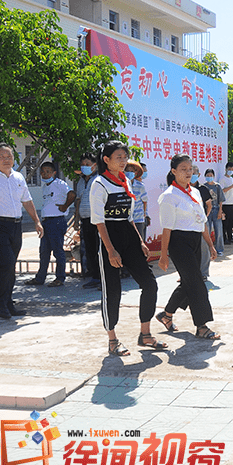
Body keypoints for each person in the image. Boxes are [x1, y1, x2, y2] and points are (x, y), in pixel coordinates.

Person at [90, 140, 164, 356]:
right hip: (108, 239)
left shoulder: (126, 182)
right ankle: (112, 339)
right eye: (118, 157)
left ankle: (145, 334)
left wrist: (140, 240)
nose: (123, 161)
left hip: (129, 236)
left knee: (150, 284)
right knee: (113, 291)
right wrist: (111, 250)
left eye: (125, 157)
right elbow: (99, 221)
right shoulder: (99, 184)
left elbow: (129, 217)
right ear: (106, 160)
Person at [0, 143, 45, 318]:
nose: (6, 159)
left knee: (10, 266)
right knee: (6, 262)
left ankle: (8, 303)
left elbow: (27, 200)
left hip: (15, 225)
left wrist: (36, 221)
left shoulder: (18, 177)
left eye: (9, 156)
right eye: (2, 157)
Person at [155, 154, 219, 340]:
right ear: (173, 171)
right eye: (183, 169)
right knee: (197, 283)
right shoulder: (168, 196)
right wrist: (164, 255)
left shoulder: (196, 192)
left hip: (195, 240)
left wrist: (210, 244)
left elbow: (202, 222)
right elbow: (166, 229)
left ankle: (166, 314)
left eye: (190, 169)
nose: (188, 172)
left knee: (189, 281)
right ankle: (202, 325)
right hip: (178, 241)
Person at [25, 161, 75, 287]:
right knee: (44, 251)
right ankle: (40, 278)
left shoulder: (59, 184)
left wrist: (65, 206)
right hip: (46, 222)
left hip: (56, 221)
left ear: (54, 172)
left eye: (48, 171)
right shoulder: (45, 186)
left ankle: (60, 278)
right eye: (42, 172)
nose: (45, 174)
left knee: (58, 251)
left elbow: (72, 194)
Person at [74, 153, 101, 289]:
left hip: (98, 221)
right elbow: (78, 200)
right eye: (83, 165)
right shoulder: (81, 181)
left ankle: (103, 278)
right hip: (85, 219)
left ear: (95, 165)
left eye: (87, 164)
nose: (84, 167)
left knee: (99, 249)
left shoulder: (99, 179)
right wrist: (76, 219)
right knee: (90, 249)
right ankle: (95, 277)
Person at [189, 165, 213, 280]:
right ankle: (187, 273)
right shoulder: (184, 188)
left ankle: (203, 273)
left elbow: (209, 205)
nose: (192, 176)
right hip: (188, 224)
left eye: (194, 173)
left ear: (198, 175)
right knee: (189, 249)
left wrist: (204, 217)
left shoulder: (203, 189)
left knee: (203, 248)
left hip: (201, 223)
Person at [203, 168, 226, 256]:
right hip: (207, 210)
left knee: (219, 230)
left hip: (216, 209)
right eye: (208, 176)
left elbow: (221, 200)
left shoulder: (217, 186)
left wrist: (220, 211)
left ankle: (219, 249)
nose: (209, 177)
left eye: (211, 176)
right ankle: (208, 249)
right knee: (207, 230)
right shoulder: (204, 187)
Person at [126, 161, 149, 241]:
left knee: (140, 243)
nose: (130, 173)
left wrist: (144, 215)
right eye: (127, 171)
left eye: (132, 171)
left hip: (138, 220)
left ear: (135, 173)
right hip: (126, 220)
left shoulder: (140, 186)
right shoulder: (121, 185)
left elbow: (145, 201)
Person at [218, 162, 233, 244]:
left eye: (232, 170)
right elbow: (222, 190)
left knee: (230, 222)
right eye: (229, 169)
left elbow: (231, 191)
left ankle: (230, 237)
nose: (231, 171)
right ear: (226, 169)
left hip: (231, 202)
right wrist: (232, 186)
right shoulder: (222, 179)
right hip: (225, 203)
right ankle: (224, 238)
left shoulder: (231, 179)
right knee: (225, 223)